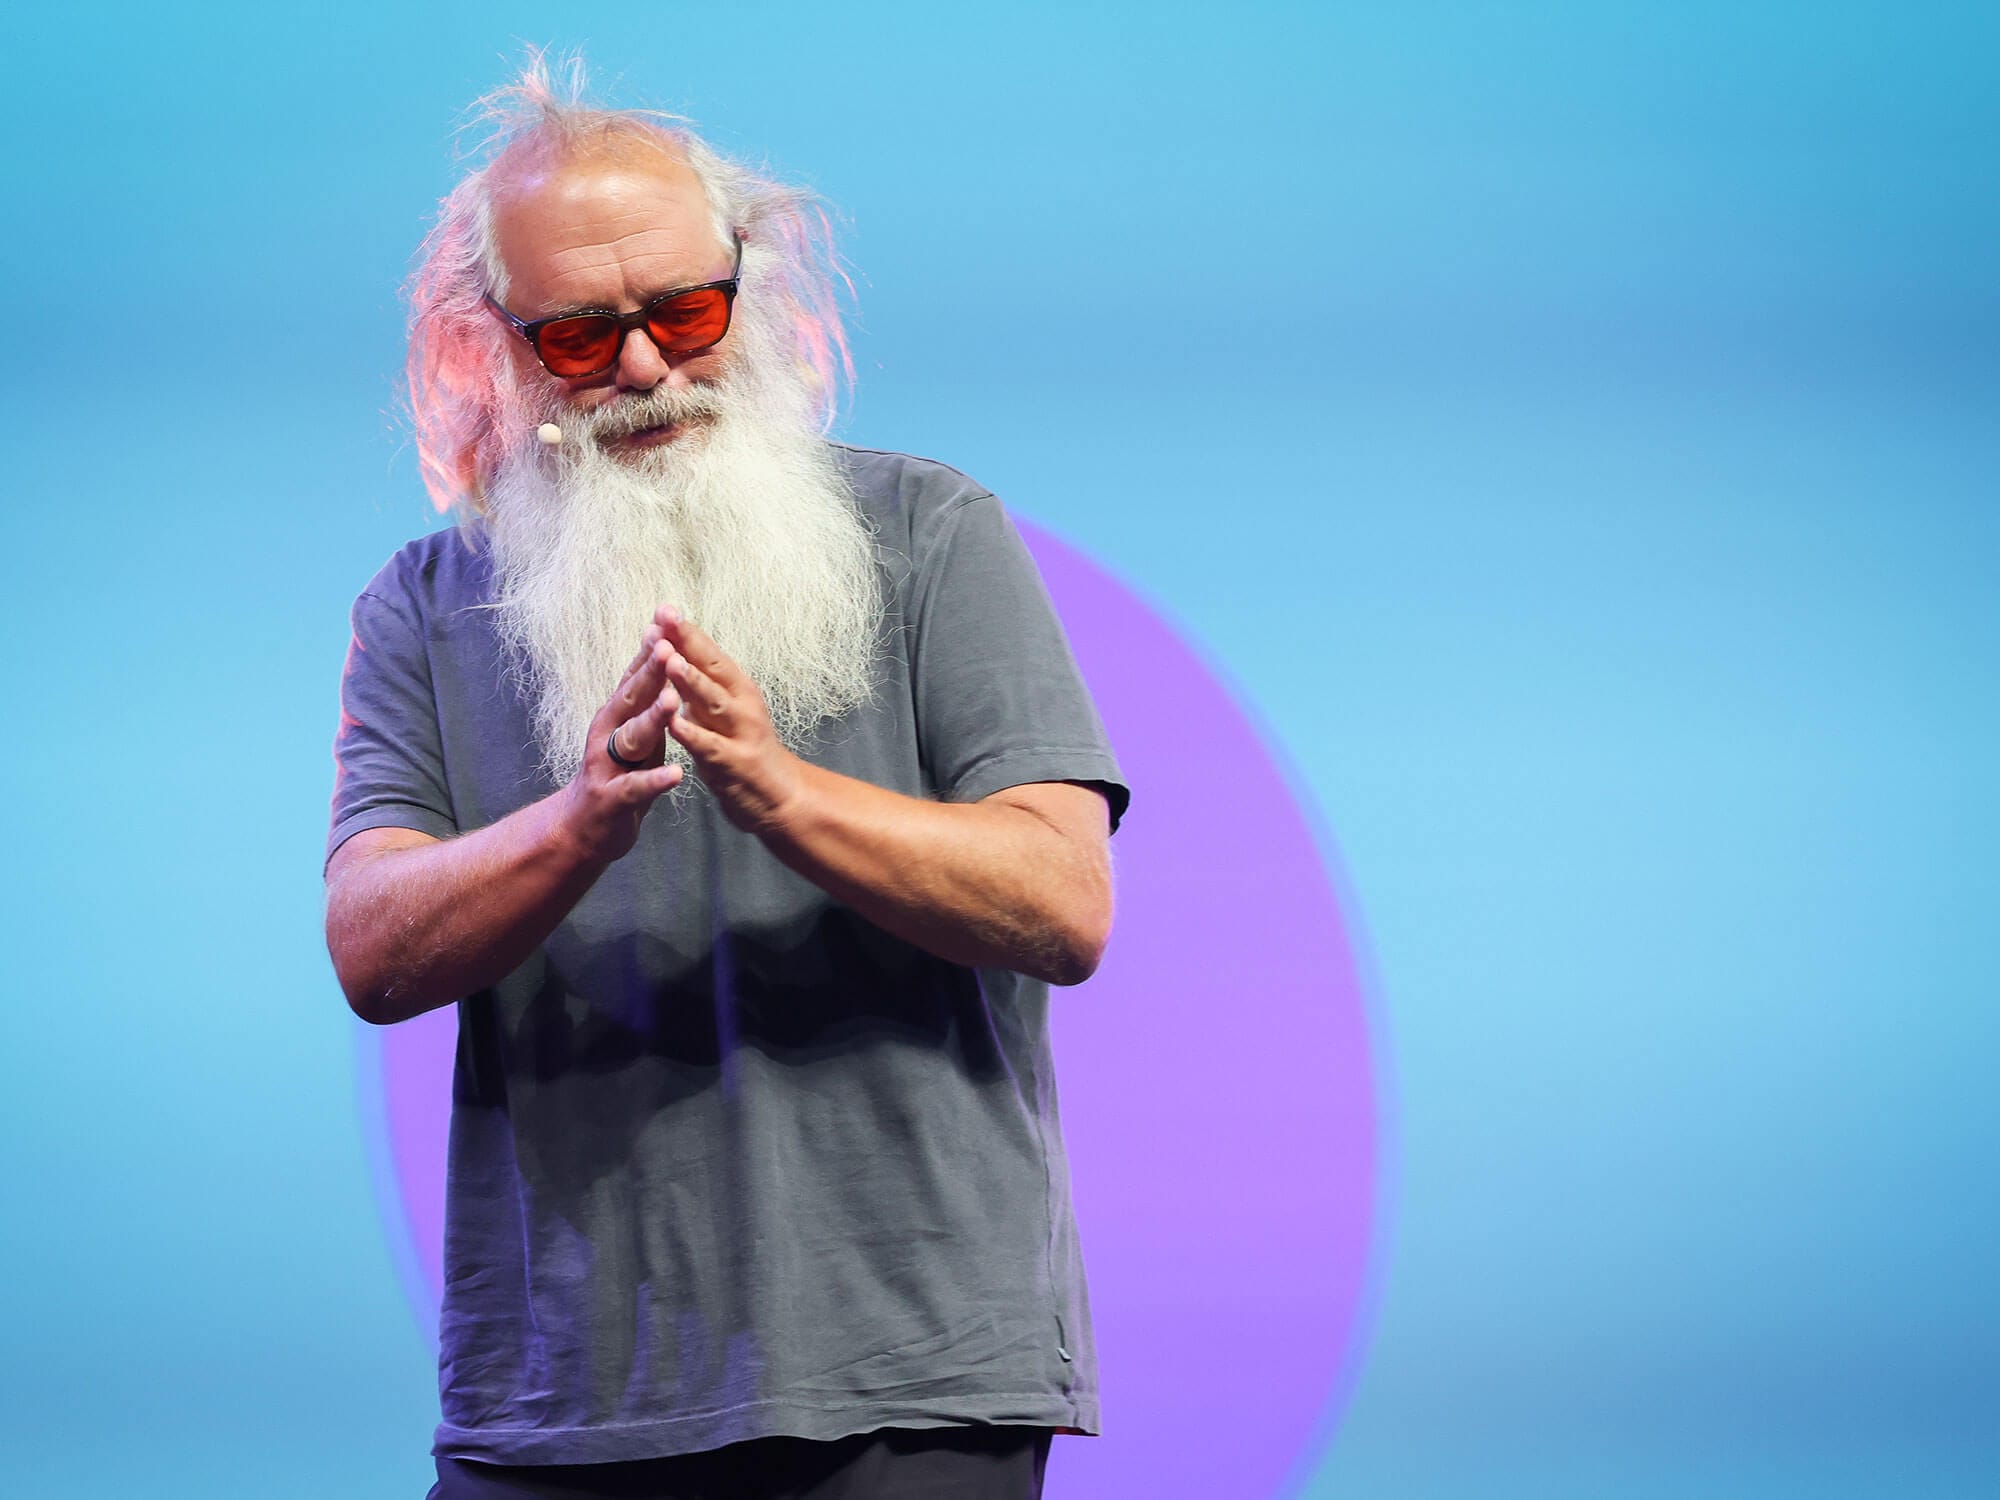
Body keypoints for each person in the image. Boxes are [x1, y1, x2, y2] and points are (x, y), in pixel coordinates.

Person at [324, 56, 1127, 1500]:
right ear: (492, 347)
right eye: (579, 337)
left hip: (910, 1385)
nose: (643, 369)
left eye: (685, 312)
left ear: (753, 286)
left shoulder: (931, 532)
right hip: (556, 1406)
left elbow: (1063, 903)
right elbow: (372, 950)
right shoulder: (421, 608)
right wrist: (578, 825)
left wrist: (781, 793)